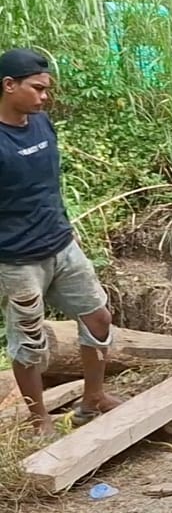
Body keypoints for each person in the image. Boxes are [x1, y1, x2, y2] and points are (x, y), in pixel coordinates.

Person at [0, 48, 122, 436]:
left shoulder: (41, 124)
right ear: (9, 85)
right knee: (29, 342)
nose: (44, 96)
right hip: (18, 260)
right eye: (37, 88)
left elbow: (48, 184)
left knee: (99, 318)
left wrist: (63, 225)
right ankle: (40, 421)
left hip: (62, 245)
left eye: (46, 88)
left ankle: (93, 397)